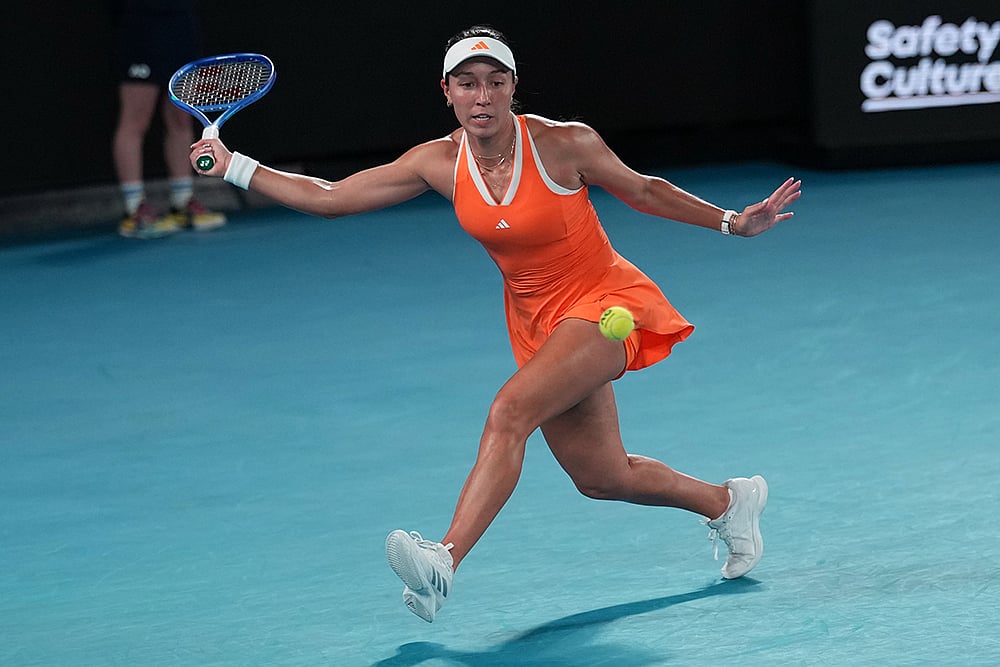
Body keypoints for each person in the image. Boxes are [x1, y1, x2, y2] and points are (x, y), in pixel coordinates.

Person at [189, 25, 801, 623]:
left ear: (513, 87)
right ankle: (728, 502)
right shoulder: (436, 161)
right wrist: (236, 167)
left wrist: (731, 222)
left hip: (605, 302)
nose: (481, 96)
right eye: (467, 83)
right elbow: (331, 197)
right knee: (602, 476)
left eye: (494, 81)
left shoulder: (564, 144)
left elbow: (642, 190)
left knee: (509, 412)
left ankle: (444, 561)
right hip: (537, 325)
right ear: (447, 92)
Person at [112, 0, 226, 239]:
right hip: (141, 24)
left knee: (182, 119)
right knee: (135, 121)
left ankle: (182, 203)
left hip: (179, 23)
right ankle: (134, 210)